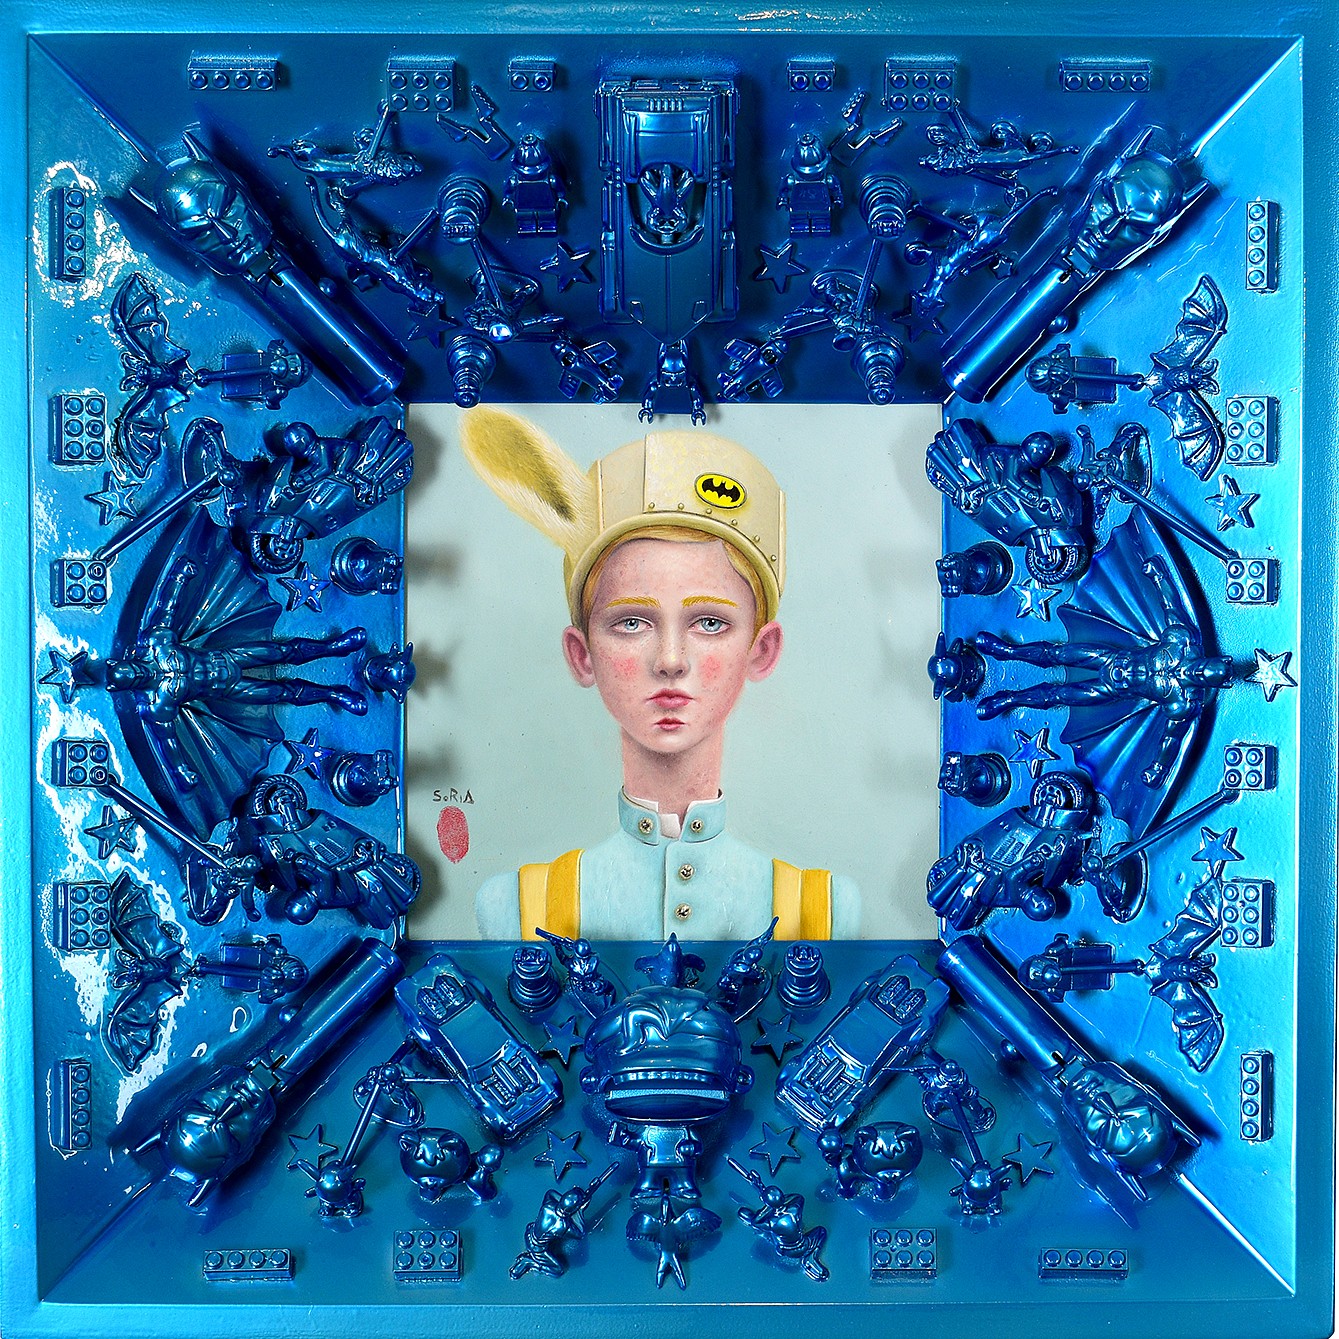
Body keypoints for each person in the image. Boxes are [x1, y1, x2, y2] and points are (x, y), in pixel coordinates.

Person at [461, 407, 859, 941]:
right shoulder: (515, 907)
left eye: (710, 622)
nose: (670, 659)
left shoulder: (824, 911)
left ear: (761, 651)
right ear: (582, 654)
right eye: (632, 622)